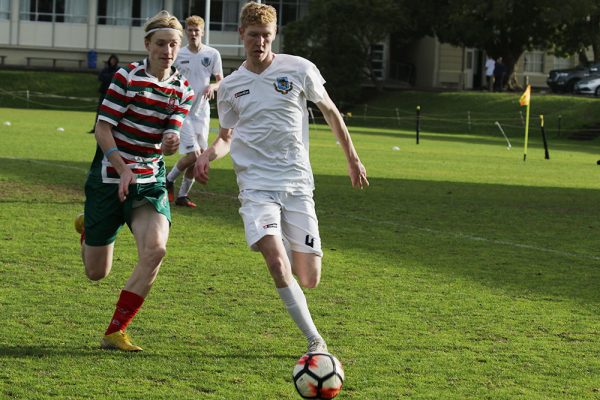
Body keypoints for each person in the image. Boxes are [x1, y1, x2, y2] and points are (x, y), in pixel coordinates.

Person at [194, 1, 369, 354]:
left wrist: (351, 158)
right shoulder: (230, 87)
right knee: (276, 261)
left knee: (309, 278)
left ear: (275, 36)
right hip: (257, 188)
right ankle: (315, 342)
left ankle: (285, 258)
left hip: (298, 184)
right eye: (254, 35)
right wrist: (206, 156)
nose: (260, 42)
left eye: (267, 36)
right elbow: (226, 138)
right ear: (241, 34)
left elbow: (331, 112)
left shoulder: (299, 69)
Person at [76, 10, 193, 351]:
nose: (167, 51)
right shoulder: (126, 76)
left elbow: (171, 130)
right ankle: (89, 233)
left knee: (156, 249)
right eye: (160, 44)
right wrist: (122, 166)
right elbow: (103, 128)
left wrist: (171, 141)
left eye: (173, 45)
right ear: (147, 44)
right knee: (96, 273)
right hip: (109, 176)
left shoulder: (182, 88)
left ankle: (115, 331)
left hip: (149, 178)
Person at [166, 15, 223, 208]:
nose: (193, 33)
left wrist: (212, 87)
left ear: (202, 32)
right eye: (189, 30)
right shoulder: (179, 54)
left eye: (196, 30)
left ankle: (182, 196)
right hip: (183, 111)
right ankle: (168, 180)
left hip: (202, 112)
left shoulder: (212, 54)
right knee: (195, 155)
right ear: (185, 32)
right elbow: (168, 77)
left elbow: (221, 80)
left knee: (198, 158)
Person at [89, 54, 120, 133]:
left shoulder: (118, 70)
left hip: (113, 95)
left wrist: (108, 77)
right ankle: (96, 128)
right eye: (111, 60)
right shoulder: (106, 69)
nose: (112, 62)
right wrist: (110, 76)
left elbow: (116, 79)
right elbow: (101, 78)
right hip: (104, 93)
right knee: (100, 111)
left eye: (114, 60)